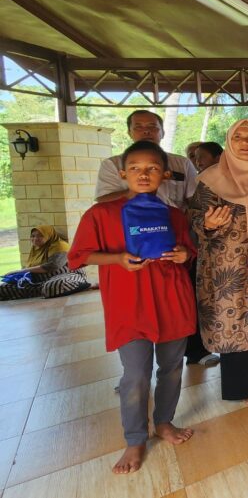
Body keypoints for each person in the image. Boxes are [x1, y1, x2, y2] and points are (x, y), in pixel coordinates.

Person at [68, 140, 196, 474]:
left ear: (164, 174)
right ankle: (135, 438)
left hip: (171, 299)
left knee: (172, 367)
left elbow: (188, 250)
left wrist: (184, 254)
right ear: (123, 173)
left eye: (152, 168)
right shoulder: (102, 214)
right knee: (136, 373)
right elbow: (78, 256)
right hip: (129, 304)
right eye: (135, 168)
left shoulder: (173, 214)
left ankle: (164, 422)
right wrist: (117, 259)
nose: (144, 174)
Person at [189, 119, 248, 403]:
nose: (245, 143)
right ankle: (241, 387)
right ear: (229, 142)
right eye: (238, 137)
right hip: (227, 265)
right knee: (236, 323)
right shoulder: (211, 179)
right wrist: (207, 224)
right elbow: (193, 218)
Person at [95, 110, 197, 210]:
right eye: (138, 127)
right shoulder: (112, 164)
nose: (146, 131)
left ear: (163, 133)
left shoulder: (183, 163)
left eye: (152, 126)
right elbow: (103, 200)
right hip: (128, 220)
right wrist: (134, 192)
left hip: (173, 220)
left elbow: (196, 201)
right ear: (129, 133)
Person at [0, 225, 90, 300]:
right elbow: (31, 268)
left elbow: (53, 266)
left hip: (67, 275)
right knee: (4, 288)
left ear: (49, 235)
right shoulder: (36, 249)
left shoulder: (60, 246)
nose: (35, 239)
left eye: (40, 236)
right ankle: (40, 291)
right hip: (39, 281)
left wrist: (21, 271)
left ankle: (80, 285)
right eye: (33, 236)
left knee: (53, 285)